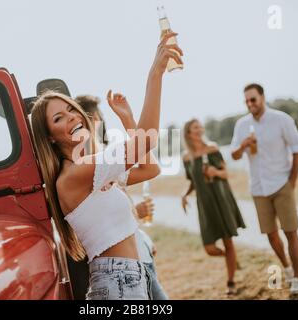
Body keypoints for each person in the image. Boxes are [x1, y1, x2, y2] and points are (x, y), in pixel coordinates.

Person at [30, 32, 183, 300]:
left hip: (128, 277)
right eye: (58, 118)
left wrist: (128, 119)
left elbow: (150, 169)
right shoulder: (73, 175)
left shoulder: (91, 171)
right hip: (118, 283)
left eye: (71, 109)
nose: (71, 117)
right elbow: (146, 141)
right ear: (50, 137)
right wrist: (155, 74)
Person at [76, 93, 169, 300]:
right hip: (123, 270)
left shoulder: (106, 159)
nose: (96, 124)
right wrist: (137, 212)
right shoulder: (83, 168)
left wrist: (143, 238)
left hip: (140, 256)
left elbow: (151, 169)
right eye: (90, 119)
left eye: (96, 118)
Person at [230, 83, 298, 294]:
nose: (250, 104)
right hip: (257, 188)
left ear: (262, 97)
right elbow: (234, 155)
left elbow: (297, 149)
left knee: (290, 232)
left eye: (253, 99)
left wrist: (292, 181)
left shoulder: (281, 119)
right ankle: (288, 269)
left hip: (281, 184)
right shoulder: (241, 125)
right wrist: (244, 144)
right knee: (271, 235)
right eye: (246, 101)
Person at [181, 118, 246, 295]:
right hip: (205, 204)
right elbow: (193, 182)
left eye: (200, 126)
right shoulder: (187, 158)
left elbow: (225, 174)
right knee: (209, 248)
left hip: (221, 199)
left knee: (228, 241)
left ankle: (231, 282)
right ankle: (230, 260)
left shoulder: (213, 149)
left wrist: (214, 172)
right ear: (188, 133)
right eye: (195, 127)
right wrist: (185, 195)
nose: (200, 129)